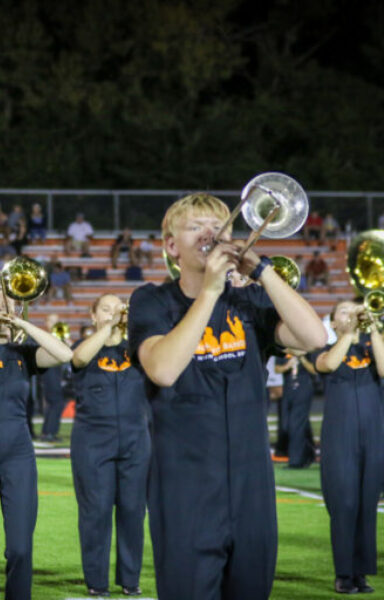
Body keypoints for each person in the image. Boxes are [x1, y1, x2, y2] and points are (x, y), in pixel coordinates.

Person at [128, 192, 326, 600]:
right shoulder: (152, 300)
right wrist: (210, 293)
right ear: (171, 246)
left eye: (218, 226)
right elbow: (163, 370)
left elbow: (314, 337)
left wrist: (263, 270)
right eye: (195, 226)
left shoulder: (249, 300)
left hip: (252, 487)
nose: (210, 233)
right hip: (184, 490)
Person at [0, 288, 72, 600]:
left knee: (19, 548)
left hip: (17, 454)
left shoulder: (24, 353)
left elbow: (64, 354)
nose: (0, 310)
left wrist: (24, 325)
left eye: (8, 305)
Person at [71, 294, 151, 598]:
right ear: (93, 316)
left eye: (119, 308)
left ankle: (130, 580)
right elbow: (77, 359)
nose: (114, 313)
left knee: (133, 511)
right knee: (96, 512)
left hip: (135, 440)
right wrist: (108, 328)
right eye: (106, 309)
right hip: (92, 442)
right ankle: (97, 582)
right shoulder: (87, 348)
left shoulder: (137, 348)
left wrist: (131, 328)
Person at [312, 300, 384, 595]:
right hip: (339, 436)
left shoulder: (372, 345)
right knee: (344, 505)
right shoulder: (323, 345)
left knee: (367, 505)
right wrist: (348, 333)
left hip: (374, 433)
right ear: (333, 321)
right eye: (344, 310)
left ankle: (361, 573)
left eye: (355, 309)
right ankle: (343, 572)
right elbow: (328, 364)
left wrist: (375, 326)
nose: (352, 313)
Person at [274, 350, 316, 468]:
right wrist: (288, 365)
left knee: (295, 425)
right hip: (288, 389)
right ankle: (309, 454)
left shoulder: (307, 349)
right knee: (288, 424)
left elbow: (314, 370)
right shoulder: (283, 350)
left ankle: (296, 461)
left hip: (303, 388)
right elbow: (277, 369)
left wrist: (302, 359)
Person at [40, 313, 71, 442]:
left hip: (56, 371)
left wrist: (66, 342)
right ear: (46, 323)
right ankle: (50, 433)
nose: (55, 325)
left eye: (57, 322)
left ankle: (47, 431)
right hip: (49, 371)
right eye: (52, 321)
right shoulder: (45, 337)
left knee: (53, 403)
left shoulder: (59, 337)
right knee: (56, 402)